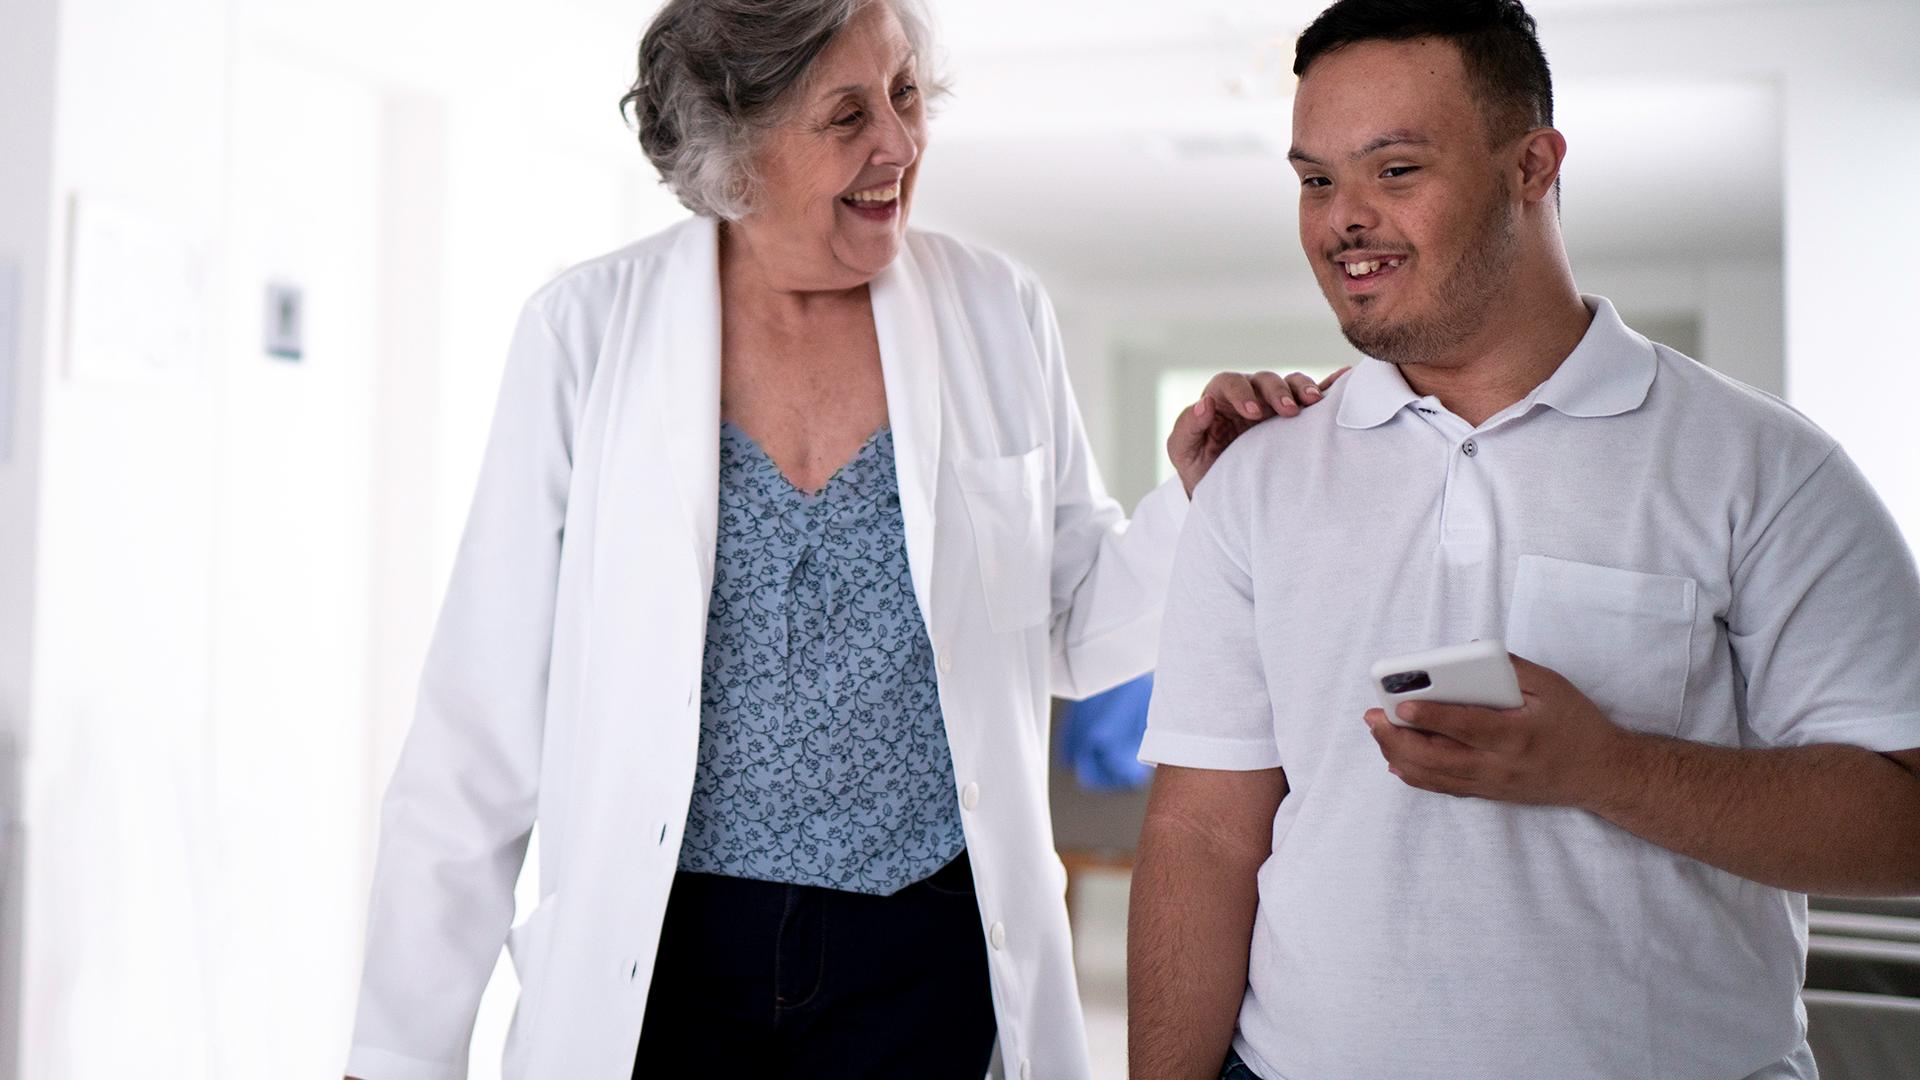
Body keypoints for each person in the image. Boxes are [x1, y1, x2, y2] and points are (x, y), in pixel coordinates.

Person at [342, 1, 1338, 1078]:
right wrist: (396, 1054)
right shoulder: (587, 334)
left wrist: (1191, 501)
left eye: (907, 96)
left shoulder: (997, 313)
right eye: (848, 114)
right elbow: (476, 729)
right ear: (738, 145)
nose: (901, 144)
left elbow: (1073, 630)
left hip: (927, 952)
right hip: (666, 955)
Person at [1127, 1, 1920, 1078]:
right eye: (1316, 179)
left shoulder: (1763, 467)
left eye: (1395, 170)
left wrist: (1608, 768)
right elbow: (1204, 837)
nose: (1342, 219)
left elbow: (1905, 821)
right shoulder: (1257, 475)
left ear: (1532, 165)